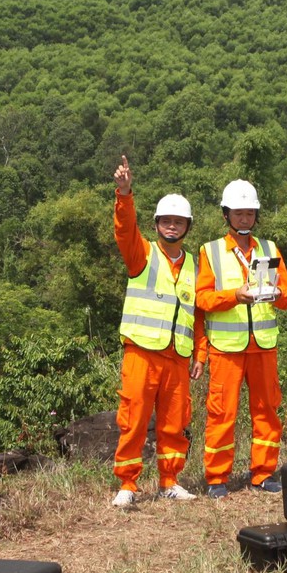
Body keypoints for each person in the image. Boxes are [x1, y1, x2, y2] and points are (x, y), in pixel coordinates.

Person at [110, 157, 201, 507]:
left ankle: (169, 480)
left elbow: (199, 314)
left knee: (174, 423)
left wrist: (200, 354)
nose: (172, 226)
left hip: (178, 357)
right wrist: (124, 193)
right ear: (158, 224)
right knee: (133, 419)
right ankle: (128, 485)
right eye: (166, 221)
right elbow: (124, 229)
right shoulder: (142, 254)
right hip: (142, 353)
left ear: (187, 226)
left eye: (179, 222)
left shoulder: (194, 264)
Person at [196, 179, 287, 498]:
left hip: (264, 345)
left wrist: (277, 293)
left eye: (249, 213)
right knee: (222, 412)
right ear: (226, 215)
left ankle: (263, 473)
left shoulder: (269, 249)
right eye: (238, 213)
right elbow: (203, 299)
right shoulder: (210, 251)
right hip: (226, 349)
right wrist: (235, 296)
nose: (244, 218)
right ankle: (217, 478)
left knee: (267, 409)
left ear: (256, 216)